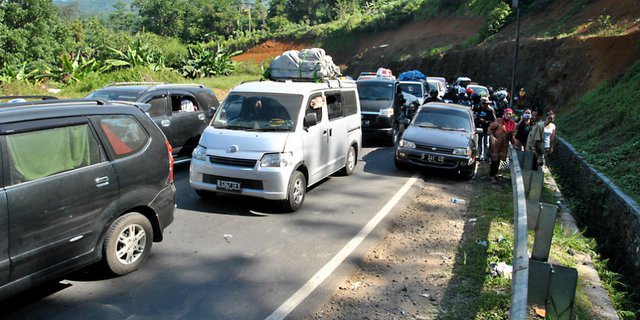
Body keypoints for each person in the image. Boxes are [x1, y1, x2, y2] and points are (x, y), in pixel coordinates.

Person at [488, 107, 516, 183]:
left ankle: (494, 175)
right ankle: (491, 176)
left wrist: (515, 144)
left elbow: (512, 136)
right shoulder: (499, 121)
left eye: (510, 114)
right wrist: (492, 136)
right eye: (507, 113)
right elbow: (490, 128)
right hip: (496, 144)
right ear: (504, 114)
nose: (508, 115)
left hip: (504, 145)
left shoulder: (511, 124)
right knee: (494, 160)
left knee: (498, 161)